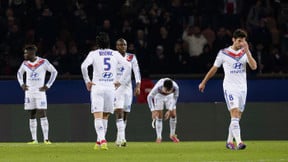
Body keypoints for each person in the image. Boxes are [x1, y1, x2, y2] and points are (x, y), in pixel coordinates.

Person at [198, 29, 257, 150]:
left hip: (242, 88)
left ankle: (229, 141)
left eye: (243, 41)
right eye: (239, 41)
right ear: (233, 40)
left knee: (237, 117)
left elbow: (254, 66)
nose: (241, 43)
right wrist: (204, 82)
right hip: (230, 87)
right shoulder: (223, 53)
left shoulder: (244, 52)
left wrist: (248, 52)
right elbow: (214, 69)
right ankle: (240, 142)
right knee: (234, 113)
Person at [81, 32, 130, 150]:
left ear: (97, 43)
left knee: (97, 115)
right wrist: (120, 81)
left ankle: (102, 139)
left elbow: (83, 66)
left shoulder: (93, 53)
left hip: (97, 87)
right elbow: (128, 66)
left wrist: (87, 80)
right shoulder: (115, 53)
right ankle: (99, 140)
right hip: (110, 88)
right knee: (105, 116)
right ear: (109, 42)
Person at [17, 44, 58, 144]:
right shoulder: (25, 63)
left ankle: (46, 139)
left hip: (40, 91)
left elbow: (54, 72)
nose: (25, 54)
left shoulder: (43, 62)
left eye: (26, 53)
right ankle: (34, 139)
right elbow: (19, 73)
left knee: (42, 113)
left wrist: (48, 85)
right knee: (32, 114)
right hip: (29, 92)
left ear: (32, 53)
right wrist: (22, 84)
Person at [114, 38, 141, 147]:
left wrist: (138, 86)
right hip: (116, 88)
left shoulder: (131, 57)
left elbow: (136, 72)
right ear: (117, 46)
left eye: (124, 45)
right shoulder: (113, 56)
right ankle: (123, 138)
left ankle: (118, 138)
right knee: (119, 111)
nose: (123, 47)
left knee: (125, 114)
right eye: (120, 45)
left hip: (128, 88)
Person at [147, 78, 180, 143]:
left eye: (168, 90)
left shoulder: (176, 87)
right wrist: (153, 110)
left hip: (170, 97)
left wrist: (170, 110)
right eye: (166, 90)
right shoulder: (158, 87)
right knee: (159, 116)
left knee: (173, 114)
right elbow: (149, 97)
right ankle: (159, 137)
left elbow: (175, 98)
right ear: (163, 87)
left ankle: (172, 135)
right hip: (159, 96)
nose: (167, 91)